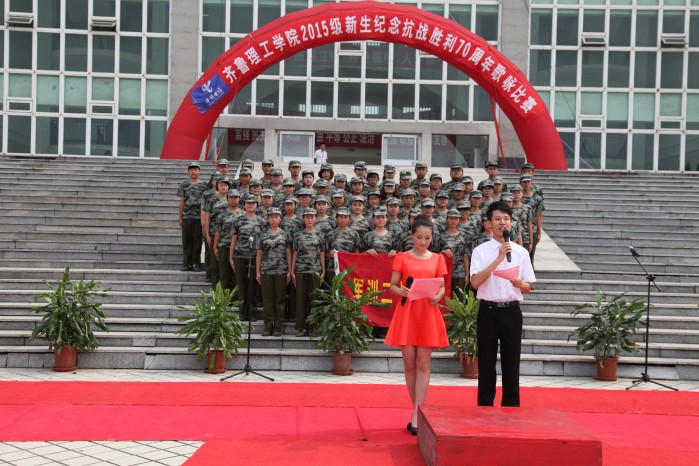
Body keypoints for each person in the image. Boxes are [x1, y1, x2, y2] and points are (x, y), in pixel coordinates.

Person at [385, 215, 448, 436]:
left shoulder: (438, 259)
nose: (423, 242)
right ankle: (416, 409)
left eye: (427, 238)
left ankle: (416, 414)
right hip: (407, 312)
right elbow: (393, 285)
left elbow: (441, 287)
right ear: (412, 236)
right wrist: (400, 290)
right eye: (419, 237)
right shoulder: (402, 257)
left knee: (423, 363)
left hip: (428, 312)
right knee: (409, 363)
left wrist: (438, 296)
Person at [470, 201, 536, 408]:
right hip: (488, 311)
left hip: (511, 312)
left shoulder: (521, 252)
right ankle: (485, 406)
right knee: (486, 362)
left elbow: (529, 287)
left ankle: (511, 406)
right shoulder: (480, 251)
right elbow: (474, 283)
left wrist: (521, 284)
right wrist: (498, 259)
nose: (502, 223)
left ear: (511, 222)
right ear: (489, 223)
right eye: (497, 219)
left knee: (511, 362)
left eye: (506, 219)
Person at [256, 208, 292, 337]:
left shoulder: (285, 234)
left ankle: (278, 327)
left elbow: (288, 253)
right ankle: (267, 327)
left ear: (280, 218)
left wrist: (290, 271)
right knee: (267, 300)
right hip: (266, 271)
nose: (274, 219)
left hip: (281, 271)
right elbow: (259, 254)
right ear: (268, 219)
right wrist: (257, 271)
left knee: (279, 300)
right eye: (271, 217)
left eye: (276, 217)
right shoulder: (263, 235)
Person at [291, 208, 326, 337]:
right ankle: (301, 328)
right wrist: (292, 271)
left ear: (315, 218)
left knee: (314, 299)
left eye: (312, 217)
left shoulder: (320, 235)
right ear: (303, 219)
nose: (310, 219)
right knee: (300, 299)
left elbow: (322, 253)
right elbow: (295, 253)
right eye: (307, 217)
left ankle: (313, 327)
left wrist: (323, 271)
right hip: (300, 270)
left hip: (315, 271)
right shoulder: (298, 235)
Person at [177, 162, 208, 271]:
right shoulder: (184, 185)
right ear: (188, 172)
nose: (193, 172)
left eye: (195, 169)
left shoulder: (204, 186)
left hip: (199, 218)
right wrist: (180, 217)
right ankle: (186, 263)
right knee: (186, 241)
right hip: (186, 217)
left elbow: (206, 203)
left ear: (199, 171)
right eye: (191, 170)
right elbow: (182, 201)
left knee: (197, 241)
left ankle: (196, 263)